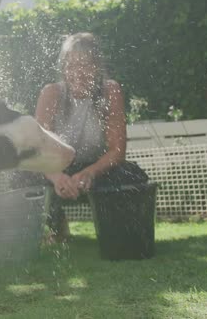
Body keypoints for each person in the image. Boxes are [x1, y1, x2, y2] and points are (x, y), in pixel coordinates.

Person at [13, 32, 148, 242]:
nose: (79, 72)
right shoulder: (51, 93)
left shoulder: (110, 91)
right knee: (22, 176)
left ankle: (114, 230)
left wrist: (90, 173)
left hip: (96, 168)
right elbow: (36, 149)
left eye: (86, 65)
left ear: (97, 68)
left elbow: (117, 151)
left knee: (132, 175)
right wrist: (57, 176)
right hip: (56, 167)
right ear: (64, 69)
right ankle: (56, 229)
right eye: (72, 65)